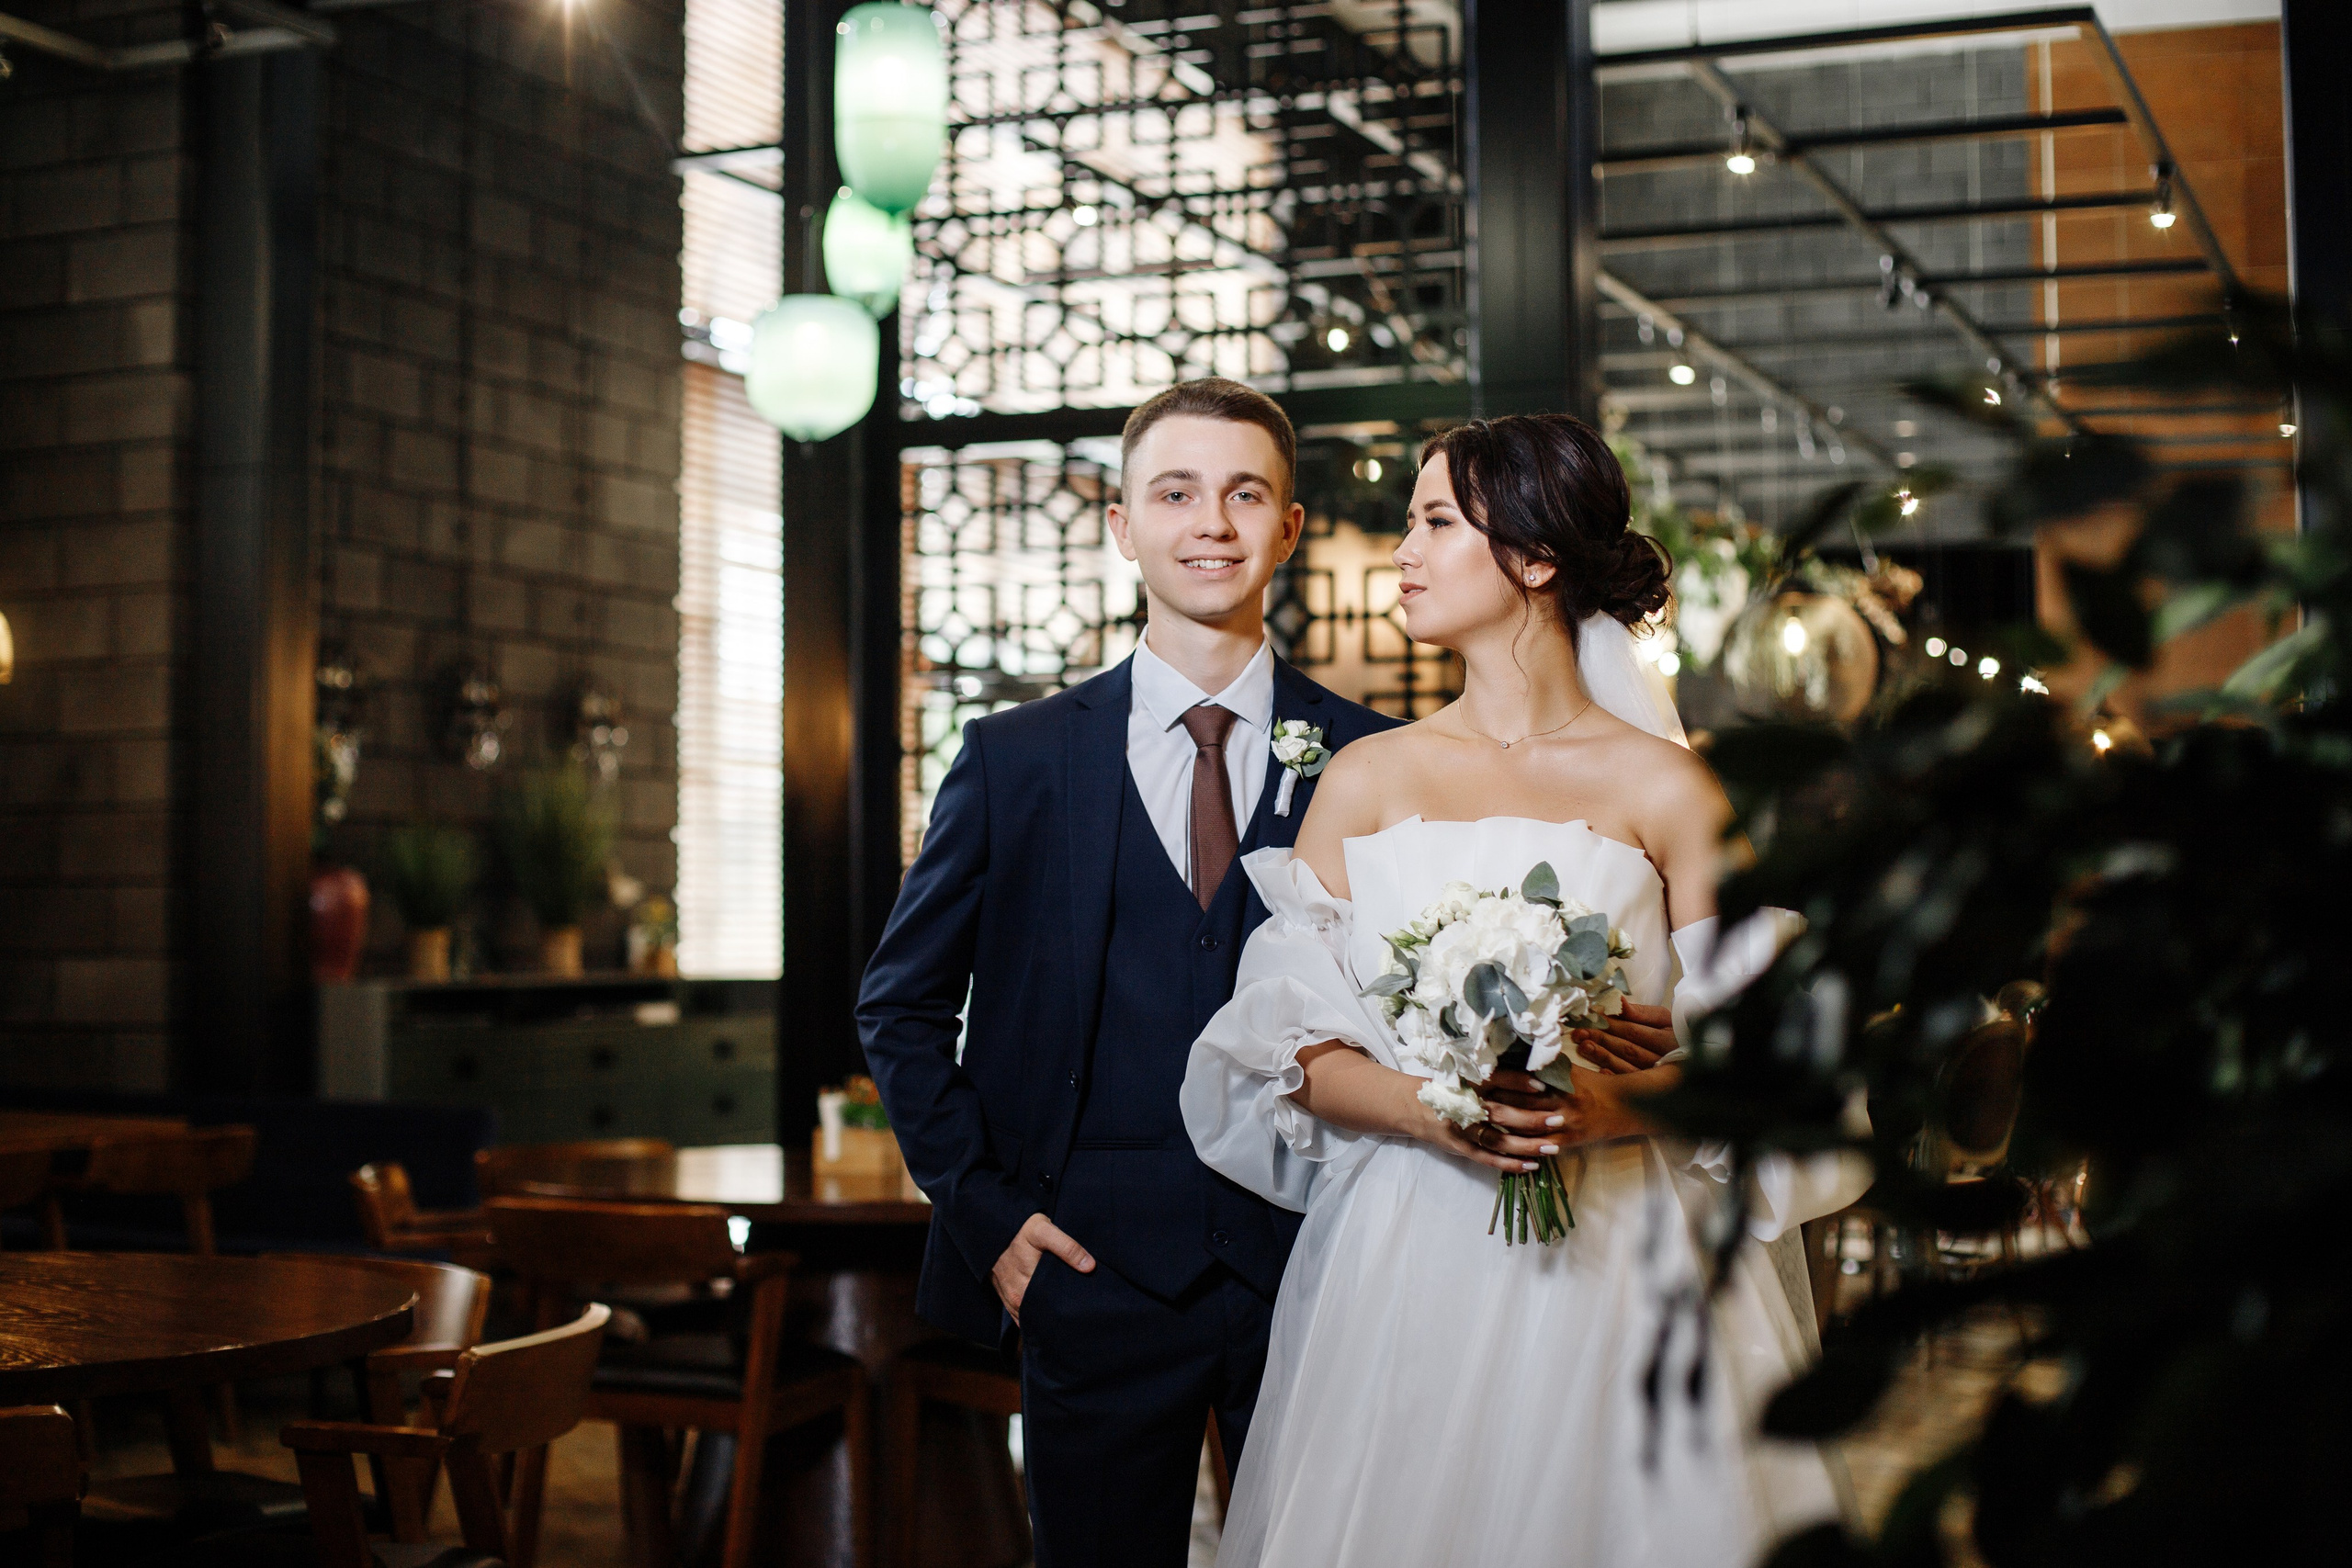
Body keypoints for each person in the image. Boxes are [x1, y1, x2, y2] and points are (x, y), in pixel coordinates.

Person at [1184, 412, 1871, 1566]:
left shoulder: (1667, 788)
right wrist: (1428, 1109)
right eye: (1409, 522)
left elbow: (1776, 1059)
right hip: (1409, 1255)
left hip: (1624, 1263)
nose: (1401, 550)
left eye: (1435, 522)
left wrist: (1618, 1104)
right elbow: (1287, 1053)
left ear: (1537, 559)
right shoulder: (1364, 779)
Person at [857, 378, 1401, 1567]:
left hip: (1321, 1262)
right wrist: (988, 1209)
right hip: (1086, 1267)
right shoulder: (1016, 756)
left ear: (1290, 527)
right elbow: (897, 1004)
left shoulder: (1370, 756)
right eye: (1176, 491)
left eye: (1245, 491)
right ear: (1120, 524)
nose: (1212, 520)